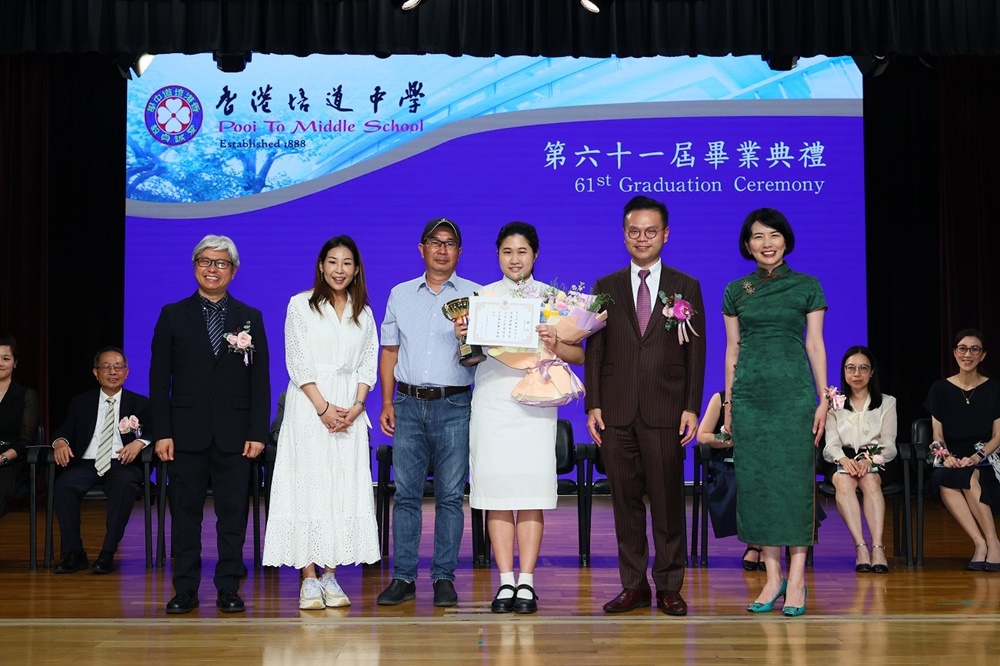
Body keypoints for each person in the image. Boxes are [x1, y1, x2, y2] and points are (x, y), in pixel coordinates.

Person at [585, 195, 706, 616]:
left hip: (665, 412)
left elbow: (696, 353)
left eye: (650, 231)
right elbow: (595, 350)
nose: (642, 238)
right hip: (616, 412)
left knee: (668, 504)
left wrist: (691, 406)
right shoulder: (605, 286)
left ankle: (670, 586)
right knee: (625, 504)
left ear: (665, 235)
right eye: (634, 231)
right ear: (624, 235)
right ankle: (633, 585)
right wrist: (593, 404)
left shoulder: (686, 286)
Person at [460, 222, 585, 614]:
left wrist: (556, 341)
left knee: (531, 493)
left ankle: (527, 581)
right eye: (507, 252)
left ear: (535, 254)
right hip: (493, 403)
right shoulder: (481, 298)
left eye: (522, 251)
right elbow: (468, 360)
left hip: (535, 404)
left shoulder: (554, 299)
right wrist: (464, 335)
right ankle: (504, 581)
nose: (515, 259)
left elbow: (580, 356)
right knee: (497, 494)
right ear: (498, 255)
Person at [150, 235, 270, 614]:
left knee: (233, 515)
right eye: (205, 261)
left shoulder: (250, 317)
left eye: (221, 263)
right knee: (184, 516)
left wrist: (257, 432)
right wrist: (162, 432)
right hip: (184, 433)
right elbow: (159, 380)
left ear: (233, 270)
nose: (212, 269)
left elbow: (260, 382)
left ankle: (228, 587)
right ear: (194, 267)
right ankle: (185, 588)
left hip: (236, 435)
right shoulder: (172, 315)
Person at [263, 236, 380, 609]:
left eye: (346, 263)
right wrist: (323, 407)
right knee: (308, 486)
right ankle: (309, 578)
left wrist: (357, 405)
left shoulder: (364, 313)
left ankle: (331, 574)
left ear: (356, 269)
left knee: (342, 487)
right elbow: (297, 361)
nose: (339, 270)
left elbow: (368, 363)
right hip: (309, 405)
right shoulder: (300, 305)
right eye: (332, 262)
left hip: (349, 409)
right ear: (321, 266)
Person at [722, 207, 828, 617]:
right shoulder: (736, 290)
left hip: (794, 397)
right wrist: (729, 404)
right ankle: (772, 576)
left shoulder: (807, 286)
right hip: (750, 399)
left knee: (795, 486)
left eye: (774, 235)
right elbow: (732, 350)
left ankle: (797, 579)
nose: (767, 243)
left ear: (786, 239)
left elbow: (815, 344)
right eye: (757, 236)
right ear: (747, 245)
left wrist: (824, 400)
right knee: (758, 486)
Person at [376, 218, 481, 607]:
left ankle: (443, 577)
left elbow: (480, 358)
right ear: (421, 249)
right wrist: (387, 402)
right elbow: (389, 351)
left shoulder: (476, 295)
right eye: (434, 242)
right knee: (406, 494)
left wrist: (469, 341)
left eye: (450, 243)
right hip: (406, 403)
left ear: (459, 252)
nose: (442, 249)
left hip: (454, 404)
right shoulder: (400, 294)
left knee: (450, 496)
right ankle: (403, 577)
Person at [51, 347, 152, 574]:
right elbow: (64, 429)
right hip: (87, 463)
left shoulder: (140, 403)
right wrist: (60, 442)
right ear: (96, 373)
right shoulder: (81, 402)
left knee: (124, 484)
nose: (113, 372)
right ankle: (74, 553)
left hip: (122, 462)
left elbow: (154, 431)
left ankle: (107, 552)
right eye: (106, 367)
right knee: (64, 486)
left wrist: (139, 443)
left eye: (118, 367)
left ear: (126, 372)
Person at [925, 329, 1000, 571]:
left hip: (986, 455)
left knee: (969, 476)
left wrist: (977, 457)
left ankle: (993, 543)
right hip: (954, 456)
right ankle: (980, 543)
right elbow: (937, 435)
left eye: (974, 349)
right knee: (944, 478)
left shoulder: (995, 388)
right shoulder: (939, 389)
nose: (968, 354)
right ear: (955, 352)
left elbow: (998, 436)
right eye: (962, 349)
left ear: (983, 355)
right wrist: (946, 457)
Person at [823, 346, 897, 574]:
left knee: (870, 481)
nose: (857, 374)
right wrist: (843, 460)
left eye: (863, 368)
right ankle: (861, 547)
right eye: (851, 368)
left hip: (876, 458)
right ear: (844, 372)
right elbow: (830, 444)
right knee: (844, 482)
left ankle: (877, 547)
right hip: (842, 458)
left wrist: (869, 460)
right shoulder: (833, 402)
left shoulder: (887, 402)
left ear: (872, 372)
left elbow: (889, 442)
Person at [694, 390, 764, 571]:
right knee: (747, 480)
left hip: (763, 459)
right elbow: (703, 436)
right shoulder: (720, 398)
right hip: (729, 462)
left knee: (769, 479)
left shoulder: (767, 395)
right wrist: (731, 439)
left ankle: (768, 544)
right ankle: (755, 544)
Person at [0, 335, 39, 518]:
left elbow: (25, 440)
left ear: (15, 363)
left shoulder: (25, 395)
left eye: (6, 358)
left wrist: (2, 458)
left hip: (11, 458)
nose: (0, 363)